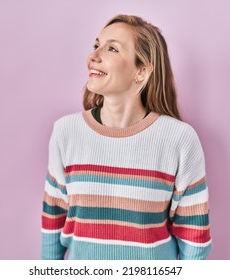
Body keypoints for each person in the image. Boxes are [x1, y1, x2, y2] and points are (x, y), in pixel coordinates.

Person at [41, 14, 212, 260]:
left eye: (111, 48)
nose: (93, 56)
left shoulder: (178, 139)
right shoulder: (66, 132)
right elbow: (52, 224)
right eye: (95, 45)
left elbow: (194, 237)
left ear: (141, 72)